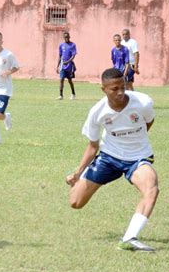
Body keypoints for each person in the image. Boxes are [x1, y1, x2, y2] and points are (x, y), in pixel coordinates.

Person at [66, 68, 159, 252]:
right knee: (75, 202)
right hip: (108, 157)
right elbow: (93, 146)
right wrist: (77, 173)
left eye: (123, 87)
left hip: (137, 157)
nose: (120, 92)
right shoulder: (97, 112)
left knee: (152, 188)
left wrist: (134, 141)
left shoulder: (142, 102)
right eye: (114, 88)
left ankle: (129, 238)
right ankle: (88, 178)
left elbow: (149, 121)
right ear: (103, 89)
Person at [56, 31, 77, 100]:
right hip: (63, 66)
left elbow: (73, 55)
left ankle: (73, 93)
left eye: (67, 37)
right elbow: (60, 56)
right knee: (61, 79)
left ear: (69, 37)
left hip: (69, 66)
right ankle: (60, 95)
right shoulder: (61, 45)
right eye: (65, 37)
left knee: (70, 80)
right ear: (63, 37)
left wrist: (68, 62)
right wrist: (57, 66)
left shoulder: (72, 45)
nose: (66, 38)